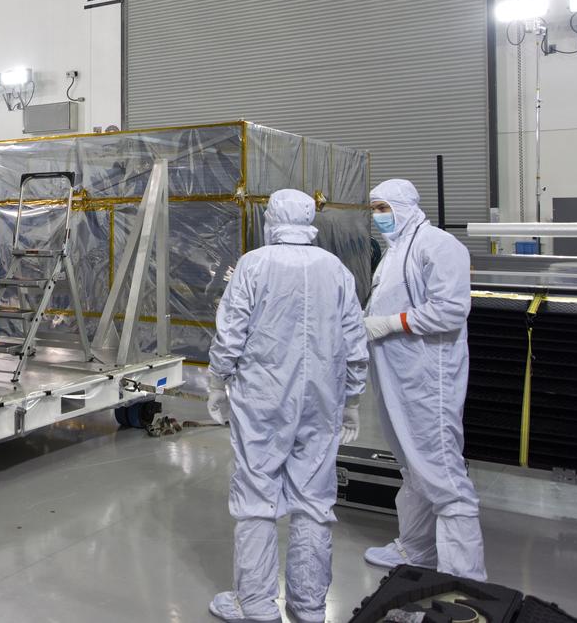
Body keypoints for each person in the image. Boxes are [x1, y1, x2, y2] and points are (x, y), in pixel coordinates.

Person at [207, 189, 368, 623]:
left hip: (262, 399)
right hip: (322, 399)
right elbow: (355, 340)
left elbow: (231, 333)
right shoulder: (334, 268)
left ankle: (256, 605)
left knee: (257, 497)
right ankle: (309, 607)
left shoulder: (254, 264)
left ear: (271, 217)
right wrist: (352, 398)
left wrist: (217, 381)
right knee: (314, 501)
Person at [363, 179, 486, 581]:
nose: (378, 216)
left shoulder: (437, 244)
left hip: (427, 379)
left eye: (383, 207)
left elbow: (451, 310)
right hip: (398, 376)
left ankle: (462, 576)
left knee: (442, 474)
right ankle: (416, 549)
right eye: (374, 209)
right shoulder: (395, 251)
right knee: (413, 468)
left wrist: (390, 323)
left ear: (403, 205)